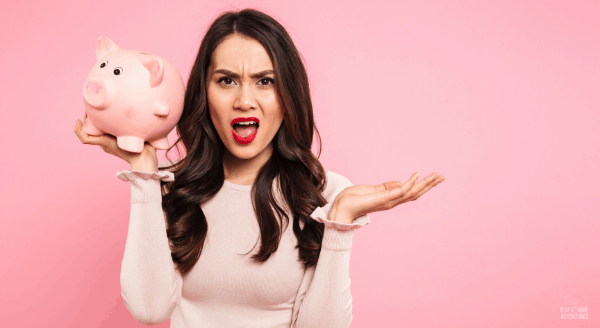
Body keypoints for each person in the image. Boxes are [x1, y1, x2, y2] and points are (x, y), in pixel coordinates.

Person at [74, 8, 445, 328]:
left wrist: (340, 220)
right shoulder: (171, 189)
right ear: (204, 93)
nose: (244, 100)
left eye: (265, 81)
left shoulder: (325, 193)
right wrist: (143, 174)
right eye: (227, 81)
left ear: (288, 94)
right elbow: (149, 309)